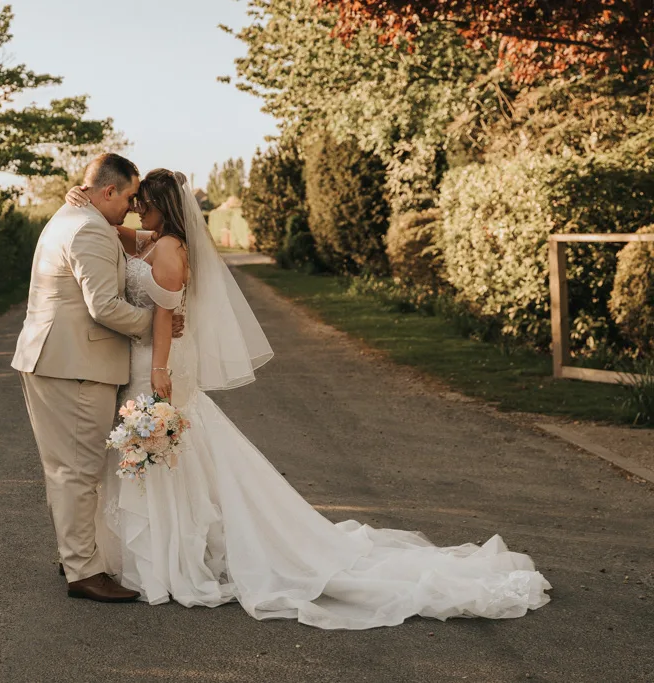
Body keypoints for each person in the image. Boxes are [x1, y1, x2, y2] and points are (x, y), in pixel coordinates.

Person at [63, 169, 551, 629]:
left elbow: (166, 317)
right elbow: (117, 237)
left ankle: (169, 563)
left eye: (141, 204)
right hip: (145, 362)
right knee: (167, 461)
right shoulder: (156, 240)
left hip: (157, 367)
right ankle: (149, 557)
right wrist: (80, 205)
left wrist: (158, 371)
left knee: (164, 458)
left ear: (160, 207)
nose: (134, 212)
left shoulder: (168, 250)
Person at [11, 154, 183, 603]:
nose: (130, 206)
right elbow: (103, 306)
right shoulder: (89, 228)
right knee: (79, 471)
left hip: (54, 359)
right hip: (75, 366)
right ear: (107, 191)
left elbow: (152, 236)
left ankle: (75, 556)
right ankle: (84, 571)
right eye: (127, 197)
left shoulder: (73, 216)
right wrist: (159, 325)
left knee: (64, 468)